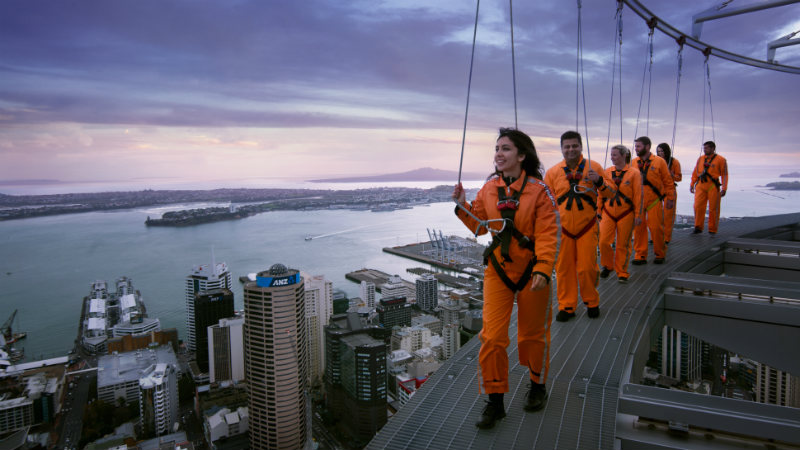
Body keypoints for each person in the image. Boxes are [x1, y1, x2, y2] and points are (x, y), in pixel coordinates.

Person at [453, 128, 558, 429]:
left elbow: (550, 234)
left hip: (531, 271)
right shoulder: (488, 190)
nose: (499, 153)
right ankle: (495, 400)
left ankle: (537, 385)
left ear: (522, 156)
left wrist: (542, 268)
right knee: (493, 337)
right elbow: (480, 227)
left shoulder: (540, 192)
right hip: (499, 271)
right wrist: (462, 206)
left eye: (506, 149)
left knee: (531, 335)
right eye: (497, 148)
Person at [544, 131, 614, 322]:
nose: (571, 149)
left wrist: (598, 181)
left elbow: (610, 193)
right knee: (564, 270)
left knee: (587, 268)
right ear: (562, 149)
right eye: (567, 146)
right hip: (563, 230)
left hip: (587, 227)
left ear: (581, 146)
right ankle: (567, 306)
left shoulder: (594, 168)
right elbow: (545, 202)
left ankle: (591, 301)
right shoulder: (552, 173)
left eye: (574, 145)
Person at [599, 145, 642, 284]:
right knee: (603, 241)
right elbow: (601, 193)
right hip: (608, 211)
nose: (612, 157)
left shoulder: (634, 173)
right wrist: (598, 210)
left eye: (615, 155)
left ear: (624, 156)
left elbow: (638, 195)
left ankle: (622, 272)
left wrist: (638, 215)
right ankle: (607, 265)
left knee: (623, 244)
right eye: (611, 155)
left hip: (626, 213)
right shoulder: (607, 172)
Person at [630, 136, 675, 265]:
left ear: (647, 146)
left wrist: (670, 198)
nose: (636, 149)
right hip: (638, 202)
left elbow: (668, 181)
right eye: (636, 146)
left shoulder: (659, 162)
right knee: (639, 229)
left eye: (638, 146)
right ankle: (640, 255)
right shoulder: (633, 163)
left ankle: (660, 253)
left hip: (654, 200)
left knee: (656, 228)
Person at [690, 141, 728, 234]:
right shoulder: (700, 159)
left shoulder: (721, 160)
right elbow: (695, 172)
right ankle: (698, 227)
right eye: (704, 147)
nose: (704, 149)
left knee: (713, 209)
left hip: (713, 186)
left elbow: (724, 174)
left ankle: (712, 229)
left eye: (706, 148)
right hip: (700, 185)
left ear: (712, 148)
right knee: (698, 206)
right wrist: (692, 184)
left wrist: (724, 188)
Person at [656, 143, 681, 244]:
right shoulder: (655, 162)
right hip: (657, 190)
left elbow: (679, 178)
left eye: (662, 151)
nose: (660, 153)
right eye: (658, 152)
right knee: (656, 216)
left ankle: (666, 238)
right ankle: (656, 237)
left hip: (669, 189)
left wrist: (671, 175)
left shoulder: (674, 162)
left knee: (668, 215)